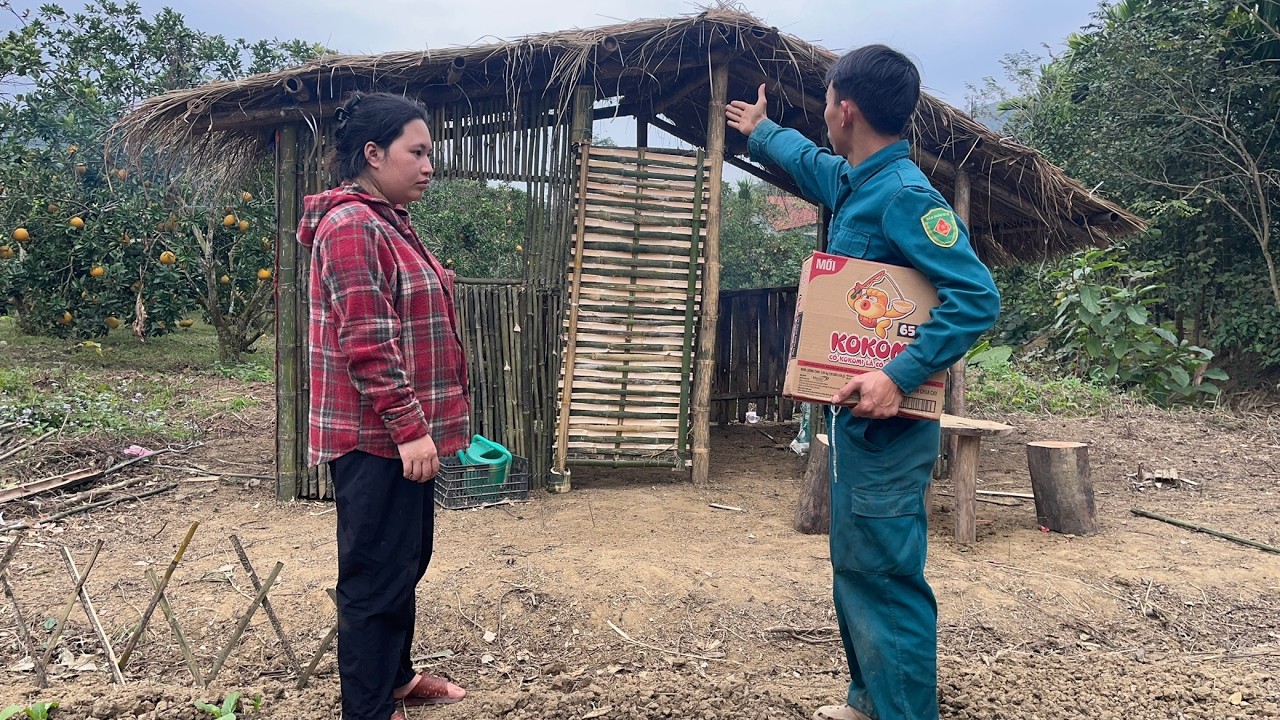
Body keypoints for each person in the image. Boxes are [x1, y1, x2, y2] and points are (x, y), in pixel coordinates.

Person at [726, 46, 1000, 720]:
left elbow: (977, 298)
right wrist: (764, 133)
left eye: (825, 104)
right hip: (856, 423)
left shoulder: (905, 196)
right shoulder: (857, 181)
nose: (823, 116)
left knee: (885, 573)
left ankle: (905, 711)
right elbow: (813, 165)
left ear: (845, 109)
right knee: (856, 564)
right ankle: (872, 699)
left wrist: (898, 375)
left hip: (890, 424)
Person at [297, 91, 471, 720]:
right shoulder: (351, 227)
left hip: (400, 435)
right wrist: (409, 428)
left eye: (431, 152)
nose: (429, 165)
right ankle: (367, 710)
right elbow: (368, 342)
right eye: (416, 152)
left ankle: (395, 678)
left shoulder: (389, 220)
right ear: (372, 153)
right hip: (375, 437)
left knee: (405, 562)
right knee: (373, 577)